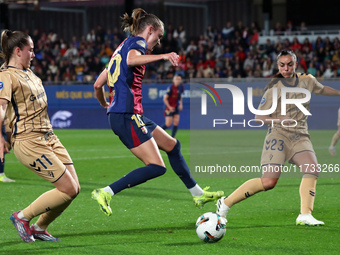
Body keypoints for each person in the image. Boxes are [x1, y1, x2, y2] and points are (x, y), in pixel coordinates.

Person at [91, 8, 223, 216]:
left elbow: (98, 84)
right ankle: (106, 192)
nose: (158, 42)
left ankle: (197, 193)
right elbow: (132, 60)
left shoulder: (121, 47)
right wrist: (164, 56)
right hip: (127, 115)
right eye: (158, 37)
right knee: (156, 166)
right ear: (149, 30)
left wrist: (105, 104)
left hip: (129, 114)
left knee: (172, 145)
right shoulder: (137, 43)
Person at [216, 50, 340, 226]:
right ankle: (226, 202)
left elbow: (322, 89)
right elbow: (258, 118)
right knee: (269, 182)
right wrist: (277, 119)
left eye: (290, 64)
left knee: (312, 169)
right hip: (278, 135)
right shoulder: (274, 89)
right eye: (282, 65)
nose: (286, 68)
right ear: (278, 66)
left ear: (295, 64)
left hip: (300, 136)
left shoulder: (308, 81)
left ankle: (305, 214)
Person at [0, 30, 80, 242]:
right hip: (28, 141)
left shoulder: (30, 74)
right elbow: (1, 108)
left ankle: (39, 227)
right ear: (18, 51)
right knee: (68, 188)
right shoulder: (6, 76)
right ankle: (22, 217)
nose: (34, 54)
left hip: (49, 137)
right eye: (31, 50)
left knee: (74, 188)